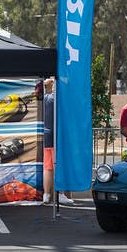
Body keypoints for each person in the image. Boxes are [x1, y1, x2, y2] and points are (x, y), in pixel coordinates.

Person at [42, 78, 75, 206]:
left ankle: (46, 195)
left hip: (46, 136)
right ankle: (60, 194)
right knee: (58, 166)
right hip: (57, 137)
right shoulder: (57, 98)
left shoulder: (44, 98)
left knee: (48, 167)